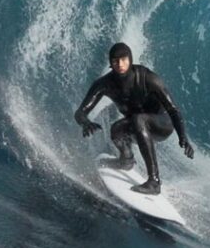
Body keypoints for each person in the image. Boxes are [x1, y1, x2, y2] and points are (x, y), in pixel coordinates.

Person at [75, 42, 194, 195]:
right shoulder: (104, 84)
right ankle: (126, 160)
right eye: (115, 61)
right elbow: (80, 112)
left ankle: (154, 182)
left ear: (130, 59)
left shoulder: (148, 78)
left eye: (124, 59)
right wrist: (85, 122)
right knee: (117, 130)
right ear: (110, 63)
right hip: (139, 125)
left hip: (163, 124)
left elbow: (173, 109)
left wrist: (182, 137)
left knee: (139, 119)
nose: (120, 64)